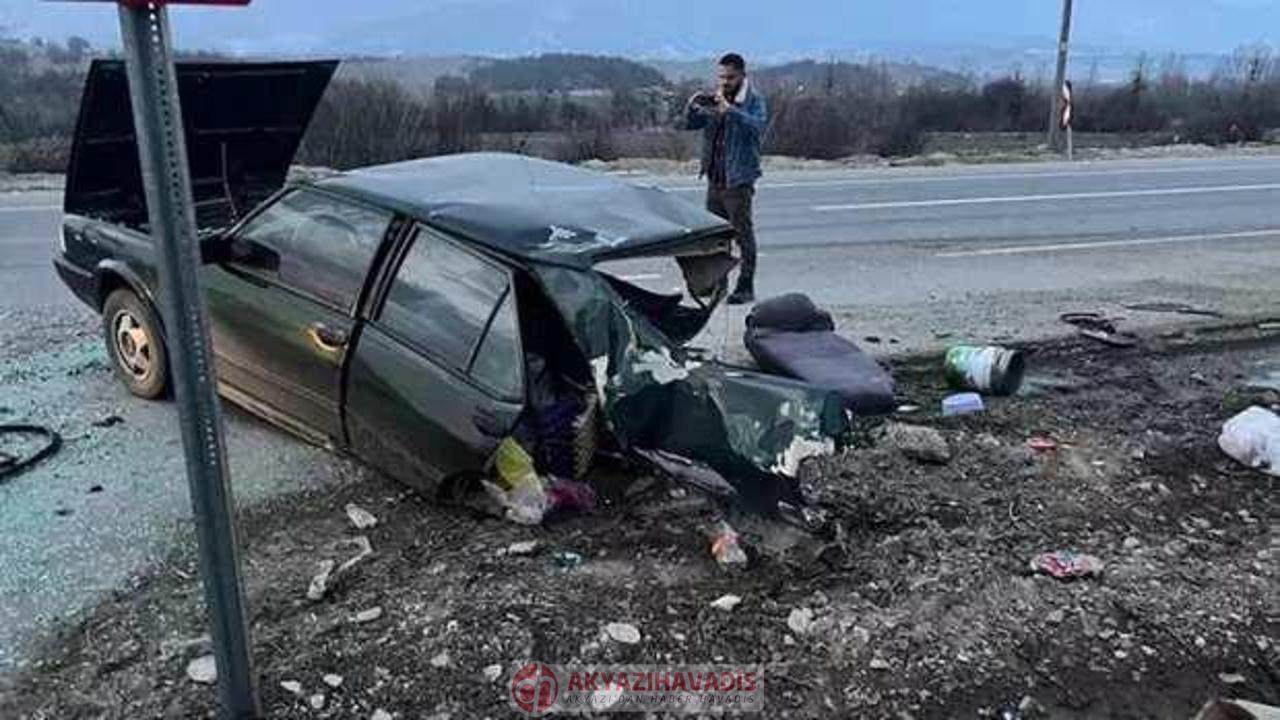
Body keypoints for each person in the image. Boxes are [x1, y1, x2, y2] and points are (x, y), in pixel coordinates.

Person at [683, 52, 767, 305]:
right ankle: (718, 285)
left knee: (742, 234)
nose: (725, 82)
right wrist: (693, 108)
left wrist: (730, 111)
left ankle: (745, 286)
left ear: (742, 75)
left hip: (738, 179)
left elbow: (758, 128)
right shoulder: (716, 97)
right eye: (721, 77)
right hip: (715, 178)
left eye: (730, 77)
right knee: (716, 237)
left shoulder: (753, 100)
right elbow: (691, 125)